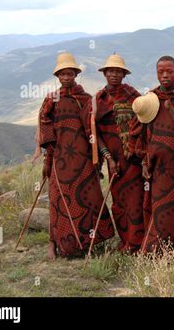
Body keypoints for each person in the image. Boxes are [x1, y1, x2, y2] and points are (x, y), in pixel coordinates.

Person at [39, 52, 114, 260]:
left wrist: (97, 158)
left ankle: (85, 243)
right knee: (57, 200)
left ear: (76, 74)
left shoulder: (85, 99)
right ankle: (53, 244)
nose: (66, 77)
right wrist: (48, 159)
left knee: (86, 198)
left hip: (82, 159)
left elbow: (92, 129)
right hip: (60, 158)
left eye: (70, 73)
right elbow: (46, 127)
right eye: (62, 74)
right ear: (57, 76)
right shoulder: (51, 100)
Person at [133, 55, 174, 253]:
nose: (164, 75)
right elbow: (144, 133)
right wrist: (145, 160)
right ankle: (157, 250)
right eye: (160, 71)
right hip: (160, 167)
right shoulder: (151, 99)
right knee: (161, 208)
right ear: (156, 73)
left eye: (169, 71)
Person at [93, 54, 145, 253]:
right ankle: (124, 241)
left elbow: (144, 121)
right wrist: (107, 157)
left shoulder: (134, 96)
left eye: (118, 71)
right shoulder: (99, 98)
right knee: (118, 201)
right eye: (110, 71)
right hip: (112, 159)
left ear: (124, 74)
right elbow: (94, 131)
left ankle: (137, 242)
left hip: (133, 158)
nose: (114, 74)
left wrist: (138, 149)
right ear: (105, 73)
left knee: (135, 200)